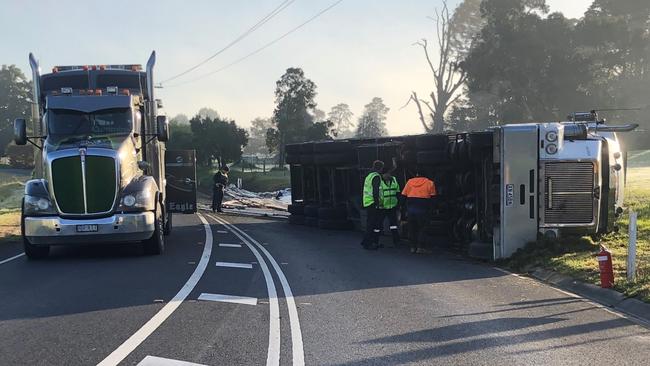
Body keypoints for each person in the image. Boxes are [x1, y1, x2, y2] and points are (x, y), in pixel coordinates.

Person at [401, 170, 437, 254]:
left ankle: (413, 247)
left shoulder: (409, 182)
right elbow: (433, 199)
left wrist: (402, 207)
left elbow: (403, 196)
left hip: (411, 209)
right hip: (423, 209)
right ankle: (421, 247)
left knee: (412, 228)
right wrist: (433, 210)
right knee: (423, 228)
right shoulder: (430, 183)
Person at [360, 160, 384, 250]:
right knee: (372, 224)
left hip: (368, 202)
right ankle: (368, 242)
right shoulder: (376, 177)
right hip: (373, 203)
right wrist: (377, 203)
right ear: (380, 168)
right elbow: (376, 191)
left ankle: (369, 241)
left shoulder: (369, 175)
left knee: (371, 223)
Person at [376, 171, 401, 248]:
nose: (387, 175)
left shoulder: (394, 180)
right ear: (382, 175)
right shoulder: (379, 182)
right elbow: (376, 194)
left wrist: (399, 204)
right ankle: (375, 241)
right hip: (382, 207)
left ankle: (396, 241)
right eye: (385, 174)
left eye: (388, 174)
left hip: (392, 207)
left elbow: (398, 192)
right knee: (378, 225)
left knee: (394, 225)